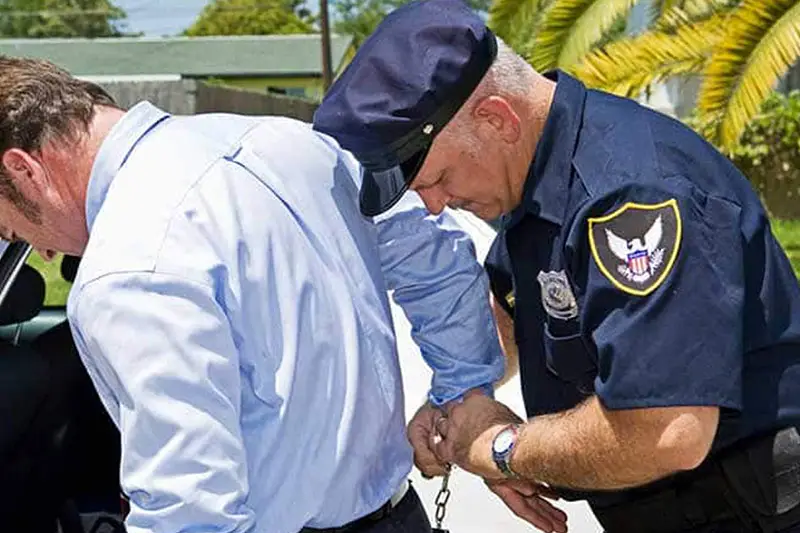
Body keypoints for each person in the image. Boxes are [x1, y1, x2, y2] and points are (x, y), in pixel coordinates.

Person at [311, 0, 800, 532]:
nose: (432, 203)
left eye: (438, 177)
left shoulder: (630, 195)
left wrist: (499, 448)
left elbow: (668, 429)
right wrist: (456, 404)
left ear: (497, 118)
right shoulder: (540, 178)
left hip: (750, 507)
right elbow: (516, 309)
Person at [0, 56, 509, 533]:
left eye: (16, 230)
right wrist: (462, 394)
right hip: (399, 516)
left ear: (24, 169)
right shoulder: (295, 141)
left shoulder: (128, 268)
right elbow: (437, 265)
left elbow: (191, 506)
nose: (42, 254)